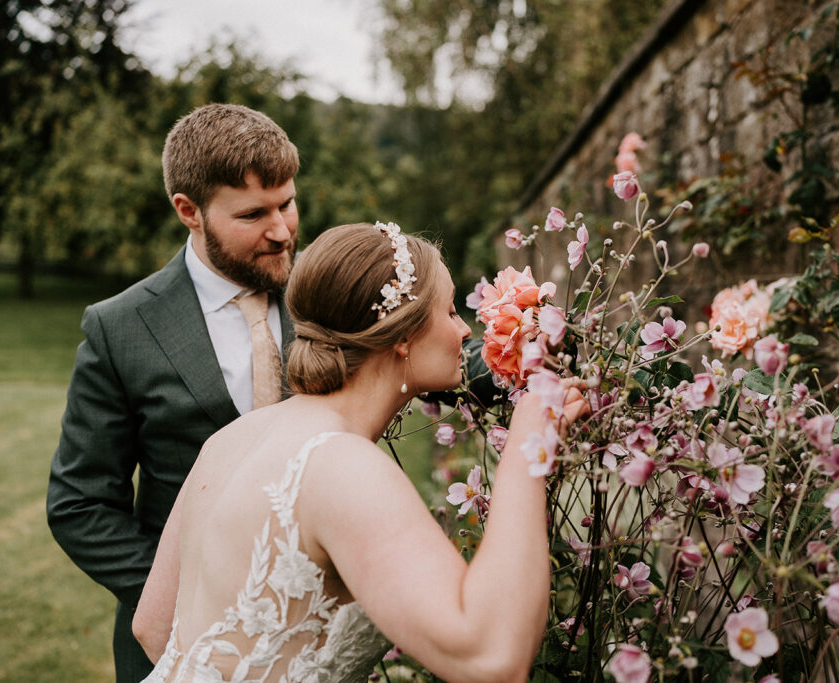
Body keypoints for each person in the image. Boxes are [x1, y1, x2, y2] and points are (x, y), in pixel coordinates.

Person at [131, 222, 589, 682]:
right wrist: (527, 454)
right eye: (450, 312)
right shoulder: (341, 465)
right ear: (403, 336)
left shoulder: (228, 441)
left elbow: (153, 628)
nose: (464, 331)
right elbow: (493, 658)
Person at [47, 103, 300, 683]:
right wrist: (180, 595)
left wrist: (539, 346)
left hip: (314, 622)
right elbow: (79, 502)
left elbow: (425, 345)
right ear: (189, 211)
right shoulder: (120, 328)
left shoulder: (323, 292)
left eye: (286, 203)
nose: (282, 229)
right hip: (177, 643)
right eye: (254, 213)